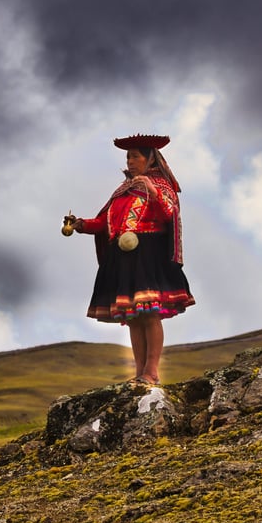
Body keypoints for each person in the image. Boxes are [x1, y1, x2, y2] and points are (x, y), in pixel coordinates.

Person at [62, 134, 195, 386]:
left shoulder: (161, 186)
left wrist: (153, 190)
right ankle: (139, 372)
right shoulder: (123, 191)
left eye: (135, 156)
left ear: (150, 159)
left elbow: (171, 213)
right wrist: (82, 225)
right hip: (123, 258)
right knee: (134, 316)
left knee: (149, 313)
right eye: (128, 157)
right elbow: (104, 222)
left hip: (148, 254)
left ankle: (152, 371)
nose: (130, 161)